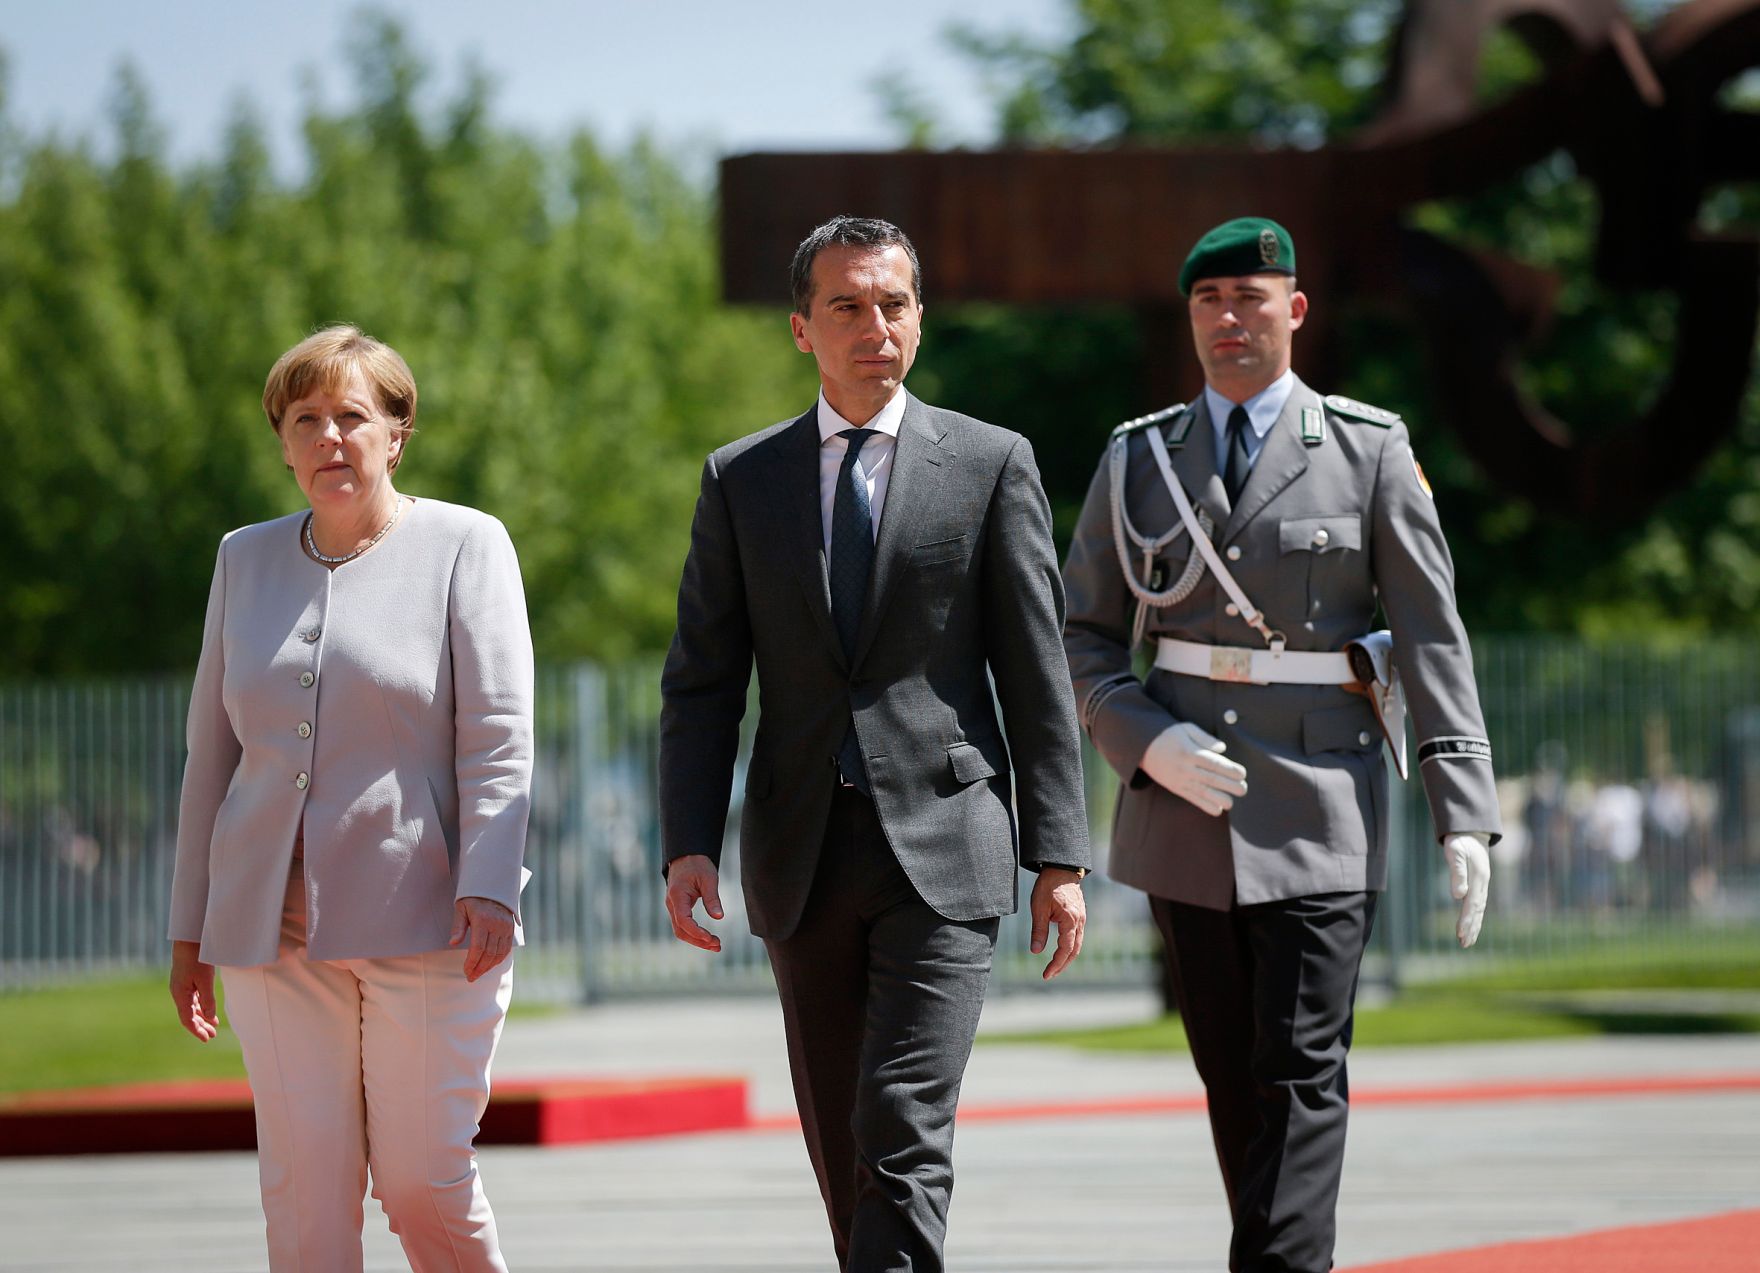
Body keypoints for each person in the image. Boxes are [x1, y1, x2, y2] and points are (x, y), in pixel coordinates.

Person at [1062, 217, 1500, 1272]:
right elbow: (1078, 632)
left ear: (1292, 310)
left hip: (1320, 797)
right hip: (1180, 806)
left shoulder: (1365, 449)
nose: (1226, 318)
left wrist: (1462, 809)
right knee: (1232, 1076)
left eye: (1248, 299)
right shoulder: (1137, 460)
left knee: (1301, 1067)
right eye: (1208, 300)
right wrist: (1140, 744)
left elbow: (1431, 634)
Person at [659, 215, 1092, 1272]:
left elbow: (1035, 668)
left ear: (918, 318)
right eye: (845, 305)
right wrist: (685, 841)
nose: (873, 326)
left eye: (891, 303)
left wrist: (1061, 855)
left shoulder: (991, 464)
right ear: (801, 329)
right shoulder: (740, 479)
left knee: (900, 1131)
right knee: (840, 1141)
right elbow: (704, 678)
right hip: (801, 851)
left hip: (947, 842)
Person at [166, 325, 534, 1273]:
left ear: (397, 432)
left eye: (353, 417)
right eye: (306, 420)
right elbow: (211, 754)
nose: (331, 437)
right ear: (283, 442)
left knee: (421, 1183)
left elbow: (498, 734)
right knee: (305, 1195)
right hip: (267, 928)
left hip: (431, 917)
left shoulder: (466, 544)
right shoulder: (241, 560)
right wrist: (189, 930)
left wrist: (491, 882)